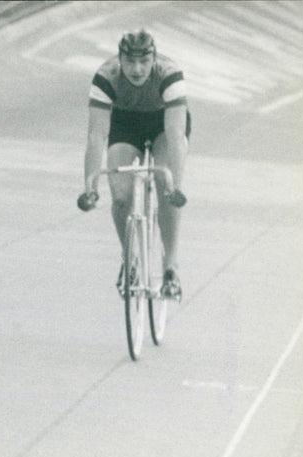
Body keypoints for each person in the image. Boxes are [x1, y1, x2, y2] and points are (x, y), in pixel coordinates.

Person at [80, 29, 189, 299]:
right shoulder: (106, 77)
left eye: (144, 61)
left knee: (165, 182)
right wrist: (89, 186)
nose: (137, 69)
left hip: (163, 125)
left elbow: (176, 136)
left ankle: (170, 266)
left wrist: (176, 185)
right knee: (120, 196)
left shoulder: (169, 74)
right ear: (119, 60)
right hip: (125, 124)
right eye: (130, 62)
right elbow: (96, 136)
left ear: (154, 59)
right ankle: (131, 259)